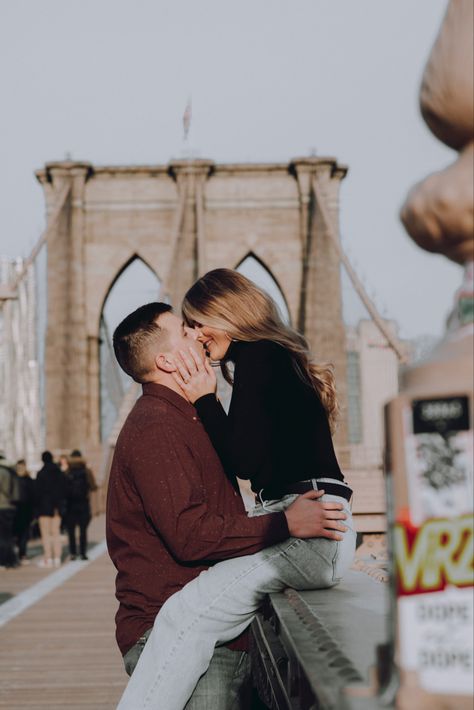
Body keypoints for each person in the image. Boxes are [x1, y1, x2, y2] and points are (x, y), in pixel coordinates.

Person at [107, 301, 352, 710]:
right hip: (170, 630)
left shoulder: (187, 417)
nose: (197, 335)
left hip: (219, 632)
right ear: (167, 361)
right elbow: (190, 535)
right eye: (185, 332)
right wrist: (284, 522)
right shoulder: (156, 427)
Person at [64, 449, 97, 561]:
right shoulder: (86, 471)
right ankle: (83, 553)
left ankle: (73, 553)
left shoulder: (67, 471)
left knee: (71, 531)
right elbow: (93, 487)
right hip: (83, 504)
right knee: (83, 531)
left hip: (70, 505)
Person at [35, 451, 66, 568]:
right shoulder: (59, 473)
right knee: (56, 533)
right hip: (57, 508)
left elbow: (36, 493)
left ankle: (48, 558)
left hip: (44, 508)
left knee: (46, 534)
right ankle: (57, 557)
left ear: (42, 460)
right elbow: (64, 490)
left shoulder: (41, 474)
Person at [13, 459, 35, 563]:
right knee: (23, 534)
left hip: (17, 510)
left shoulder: (13, 479)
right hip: (24, 510)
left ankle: (19, 554)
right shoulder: (28, 480)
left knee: (18, 534)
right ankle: (22, 554)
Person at [0, 451, 19, 568]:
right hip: (10, 506)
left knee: (1, 536)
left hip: (1, 506)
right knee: (8, 535)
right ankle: (11, 560)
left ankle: (2, 560)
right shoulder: (11, 471)